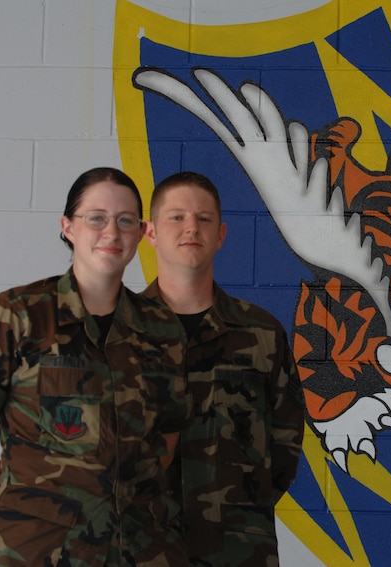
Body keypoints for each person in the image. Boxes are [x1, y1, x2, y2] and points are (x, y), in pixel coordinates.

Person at [0, 167, 189, 566]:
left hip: (144, 549)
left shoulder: (162, 329)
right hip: (39, 550)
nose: (112, 232)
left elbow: (166, 438)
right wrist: (16, 510)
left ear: (140, 232)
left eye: (126, 221)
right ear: (68, 227)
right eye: (96, 218)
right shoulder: (16, 316)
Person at [142, 171, 305, 566]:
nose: (191, 228)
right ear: (150, 232)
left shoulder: (262, 333)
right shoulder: (118, 331)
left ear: (222, 234)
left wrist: (239, 506)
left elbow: (286, 445)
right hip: (140, 548)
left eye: (204, 218)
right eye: (176, 217)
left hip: (239, 550)